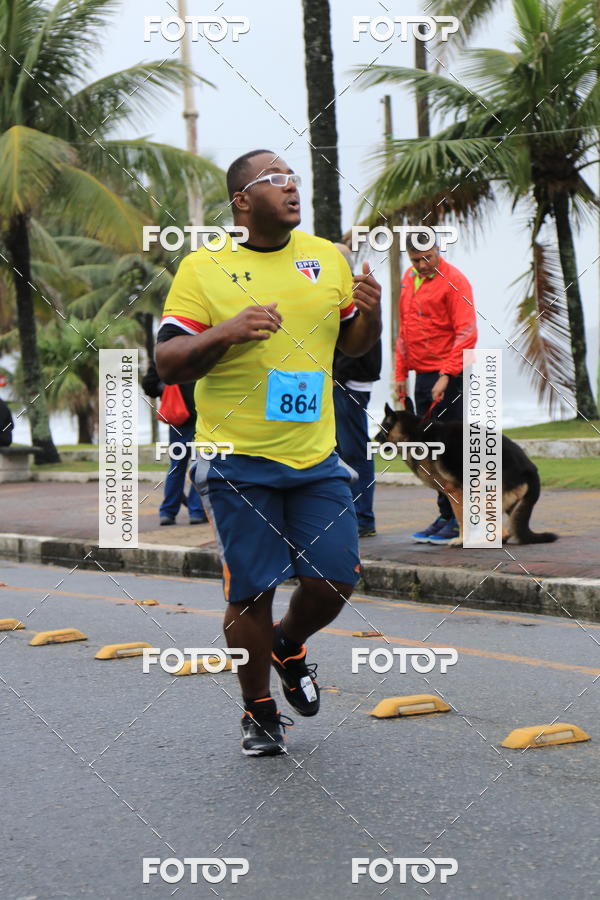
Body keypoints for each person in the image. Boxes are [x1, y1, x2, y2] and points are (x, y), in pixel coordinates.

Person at [156, 149, 381, 756]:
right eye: (274, 179)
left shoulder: (325, 258)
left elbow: (353, 346)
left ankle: (286, 644)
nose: (290, 187)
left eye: (294, 179)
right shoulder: (204, 268)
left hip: (315, 457)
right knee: (251, 590)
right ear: (242, 201)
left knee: (335, 577)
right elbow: (168, 360)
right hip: (237, 461)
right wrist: (226, 331)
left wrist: (373, 317)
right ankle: (258, 710)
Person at [395, 233, 477, 545]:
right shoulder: (408, 278)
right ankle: (445, 515)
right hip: (421, 374)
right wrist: (400, 372)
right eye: (415, 259)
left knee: (450, 450)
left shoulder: (455, 280)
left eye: (427, 258)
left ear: (437, 251)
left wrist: (446, 374)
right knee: (427, 449)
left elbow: (466, 331)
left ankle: (462, 520)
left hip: (449, 375)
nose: (422, 264)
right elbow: (403, 328)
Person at [332, 243, 381, 537]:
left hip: (349, 382)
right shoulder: (342, 288)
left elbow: (360, 337)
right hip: (346, 380)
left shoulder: (353, 289)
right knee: (343, 450)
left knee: (354, 451)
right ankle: (353, 515)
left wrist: (337, 374)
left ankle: (363, 518)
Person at [141, 360, 207, 526]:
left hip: (181, 421)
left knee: (177, 466)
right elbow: (149, 384)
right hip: (200, 419)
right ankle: (196, 511)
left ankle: (168, 512)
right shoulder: (205, 349)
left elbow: (149, 385)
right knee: (200, 465)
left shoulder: (168, 353)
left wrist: (167, 386)